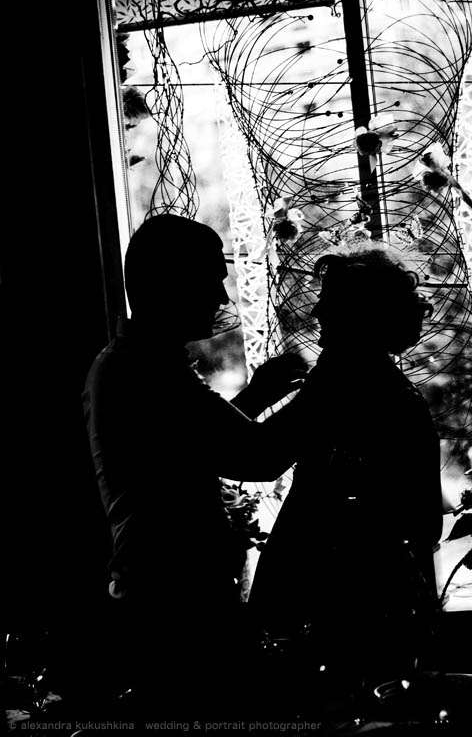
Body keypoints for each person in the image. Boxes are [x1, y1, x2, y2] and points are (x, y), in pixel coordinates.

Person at [83, 214, 307, 719]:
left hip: (160, 592)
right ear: (171, 285)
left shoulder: (130, 364)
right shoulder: (148, 372)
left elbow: (185, 447)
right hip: (176, 603)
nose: (221, 298)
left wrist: (259, 396)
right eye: (211, 281)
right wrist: (335, 388)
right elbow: (257, 457)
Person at [249, 244, 443, 710]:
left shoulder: (343, 381)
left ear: (357, 314)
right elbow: (425, 524)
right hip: (380, 596)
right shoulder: (384, 383)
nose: (316, 311)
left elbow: (260, 458)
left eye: (328, 301)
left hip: (339, 602)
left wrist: (257, 395)